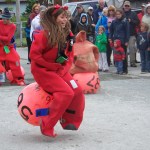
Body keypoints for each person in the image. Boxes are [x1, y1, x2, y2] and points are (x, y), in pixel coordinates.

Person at [30, 4, 85, 137]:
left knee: (77, 90)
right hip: (43, 71)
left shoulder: (69, 35)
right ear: (54, 18)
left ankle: (69, 120)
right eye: (62, 17)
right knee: (66, 93)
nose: (65, 20)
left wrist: (63, 69)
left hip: (60, 70)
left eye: (66, 17)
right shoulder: (43, 35)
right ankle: (46, 124)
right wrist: (51, 67)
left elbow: (69, 56)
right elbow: (34, 56)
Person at [0, 8, 25, 86]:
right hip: (0, 46)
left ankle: (18, 79)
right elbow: (6, 37)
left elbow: (8, 38)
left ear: (8, 19)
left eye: (5, 19)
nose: (4, 20)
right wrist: (3, 37)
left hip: (8, 47)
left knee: (16, 60)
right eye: (3, 18)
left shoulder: (12, 26)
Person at [109, 9, 130, 74]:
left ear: (121, 14)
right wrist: (110, 38)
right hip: (116, 41)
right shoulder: (114, 22)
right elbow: (111, 30)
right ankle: (119, 69)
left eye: (119, 14)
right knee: (116, 56)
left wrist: (127, 41)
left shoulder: (125, 21)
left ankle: (124, 70)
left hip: (123, 41)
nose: (118, 15)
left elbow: (127, 31)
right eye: (117, 14)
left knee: (123, 56)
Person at [123, 1, 140, 67]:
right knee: (124, 49)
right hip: (124, 34)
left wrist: (131, 21)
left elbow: (137, 22)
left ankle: (132, 62)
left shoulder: (133, 13)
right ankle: (125, 62)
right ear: (123, 6)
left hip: (132, 34)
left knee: (132, 48)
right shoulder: (122, 13)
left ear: (130, 6)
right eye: (125, 6)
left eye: (128, 6)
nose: (126, 7)